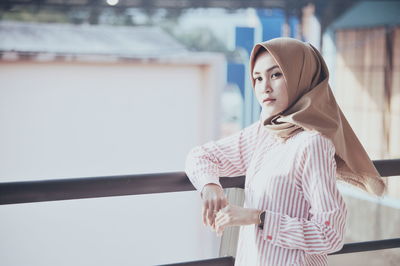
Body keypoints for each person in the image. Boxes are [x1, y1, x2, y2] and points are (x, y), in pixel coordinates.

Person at [185, 37, 386, 266]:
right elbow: (200, 156)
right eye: (258, 78)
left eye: (276, 75)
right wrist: (210, 186)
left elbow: (330, 235)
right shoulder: (265, 132)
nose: (265, 87)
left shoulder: (313, 144)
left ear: (301, 77)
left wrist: (257, 217)